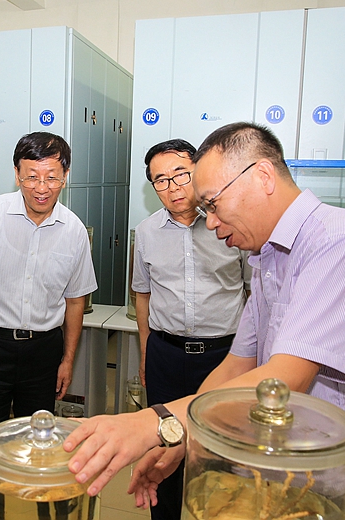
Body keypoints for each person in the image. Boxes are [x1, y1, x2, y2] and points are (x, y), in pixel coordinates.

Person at [63, 122, 345, 520]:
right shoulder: (268, 258)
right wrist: (180, 442)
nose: (209, 222)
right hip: (273, 472)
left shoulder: (340, 241)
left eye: (212, 203)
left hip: (338, 488)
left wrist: (152, 423)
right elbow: (236, 366)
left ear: (262, 176)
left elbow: (286, 379)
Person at [0, 131, 97, 520]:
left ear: (65, 176)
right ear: (16, 174)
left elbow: (75, 301)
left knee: (40, 443)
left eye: (51, 177)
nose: (41, 187)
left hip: (42, 351)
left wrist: (67, 359)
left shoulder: (74, 230)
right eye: (31, 176)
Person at [133, 138, 250, 520]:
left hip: (225, 357)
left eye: (181, 174)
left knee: (222, 455)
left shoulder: (230, 223)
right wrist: (146, 352)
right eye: (161, 180)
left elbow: (253, 292)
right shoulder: (146, 232)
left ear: (198, 171)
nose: (173, 187)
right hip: (166, 356)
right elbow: (143, 296)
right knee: (165, 447)